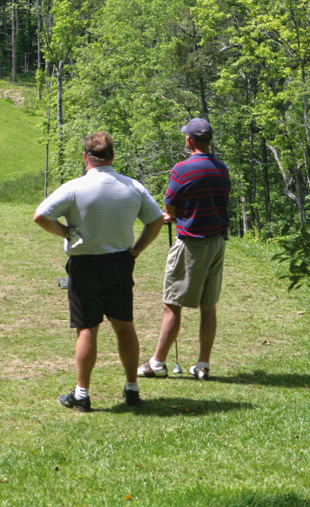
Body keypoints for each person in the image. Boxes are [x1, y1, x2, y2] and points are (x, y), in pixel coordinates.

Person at [34, 132, 165, 412]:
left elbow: (41, 216)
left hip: (85, 265)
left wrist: (65, 233)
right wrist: (138, 248)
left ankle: (82, 394)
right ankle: (132, 388)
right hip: (120, 262)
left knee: (87, 329)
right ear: (113, 156)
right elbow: (156, 221)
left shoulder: (73, 188)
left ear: (85, 157)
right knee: (124, 325)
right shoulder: (133, 187)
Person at [139, 118, 231, 381]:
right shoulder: (222, 169)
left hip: (191, 244)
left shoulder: (182, 169)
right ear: (209, 140)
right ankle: (203, 365)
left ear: (189, 140)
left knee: (172, 305)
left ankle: (157, 363)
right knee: (208, 305)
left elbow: (170, 209)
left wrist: (175, 216)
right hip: (217, 243)